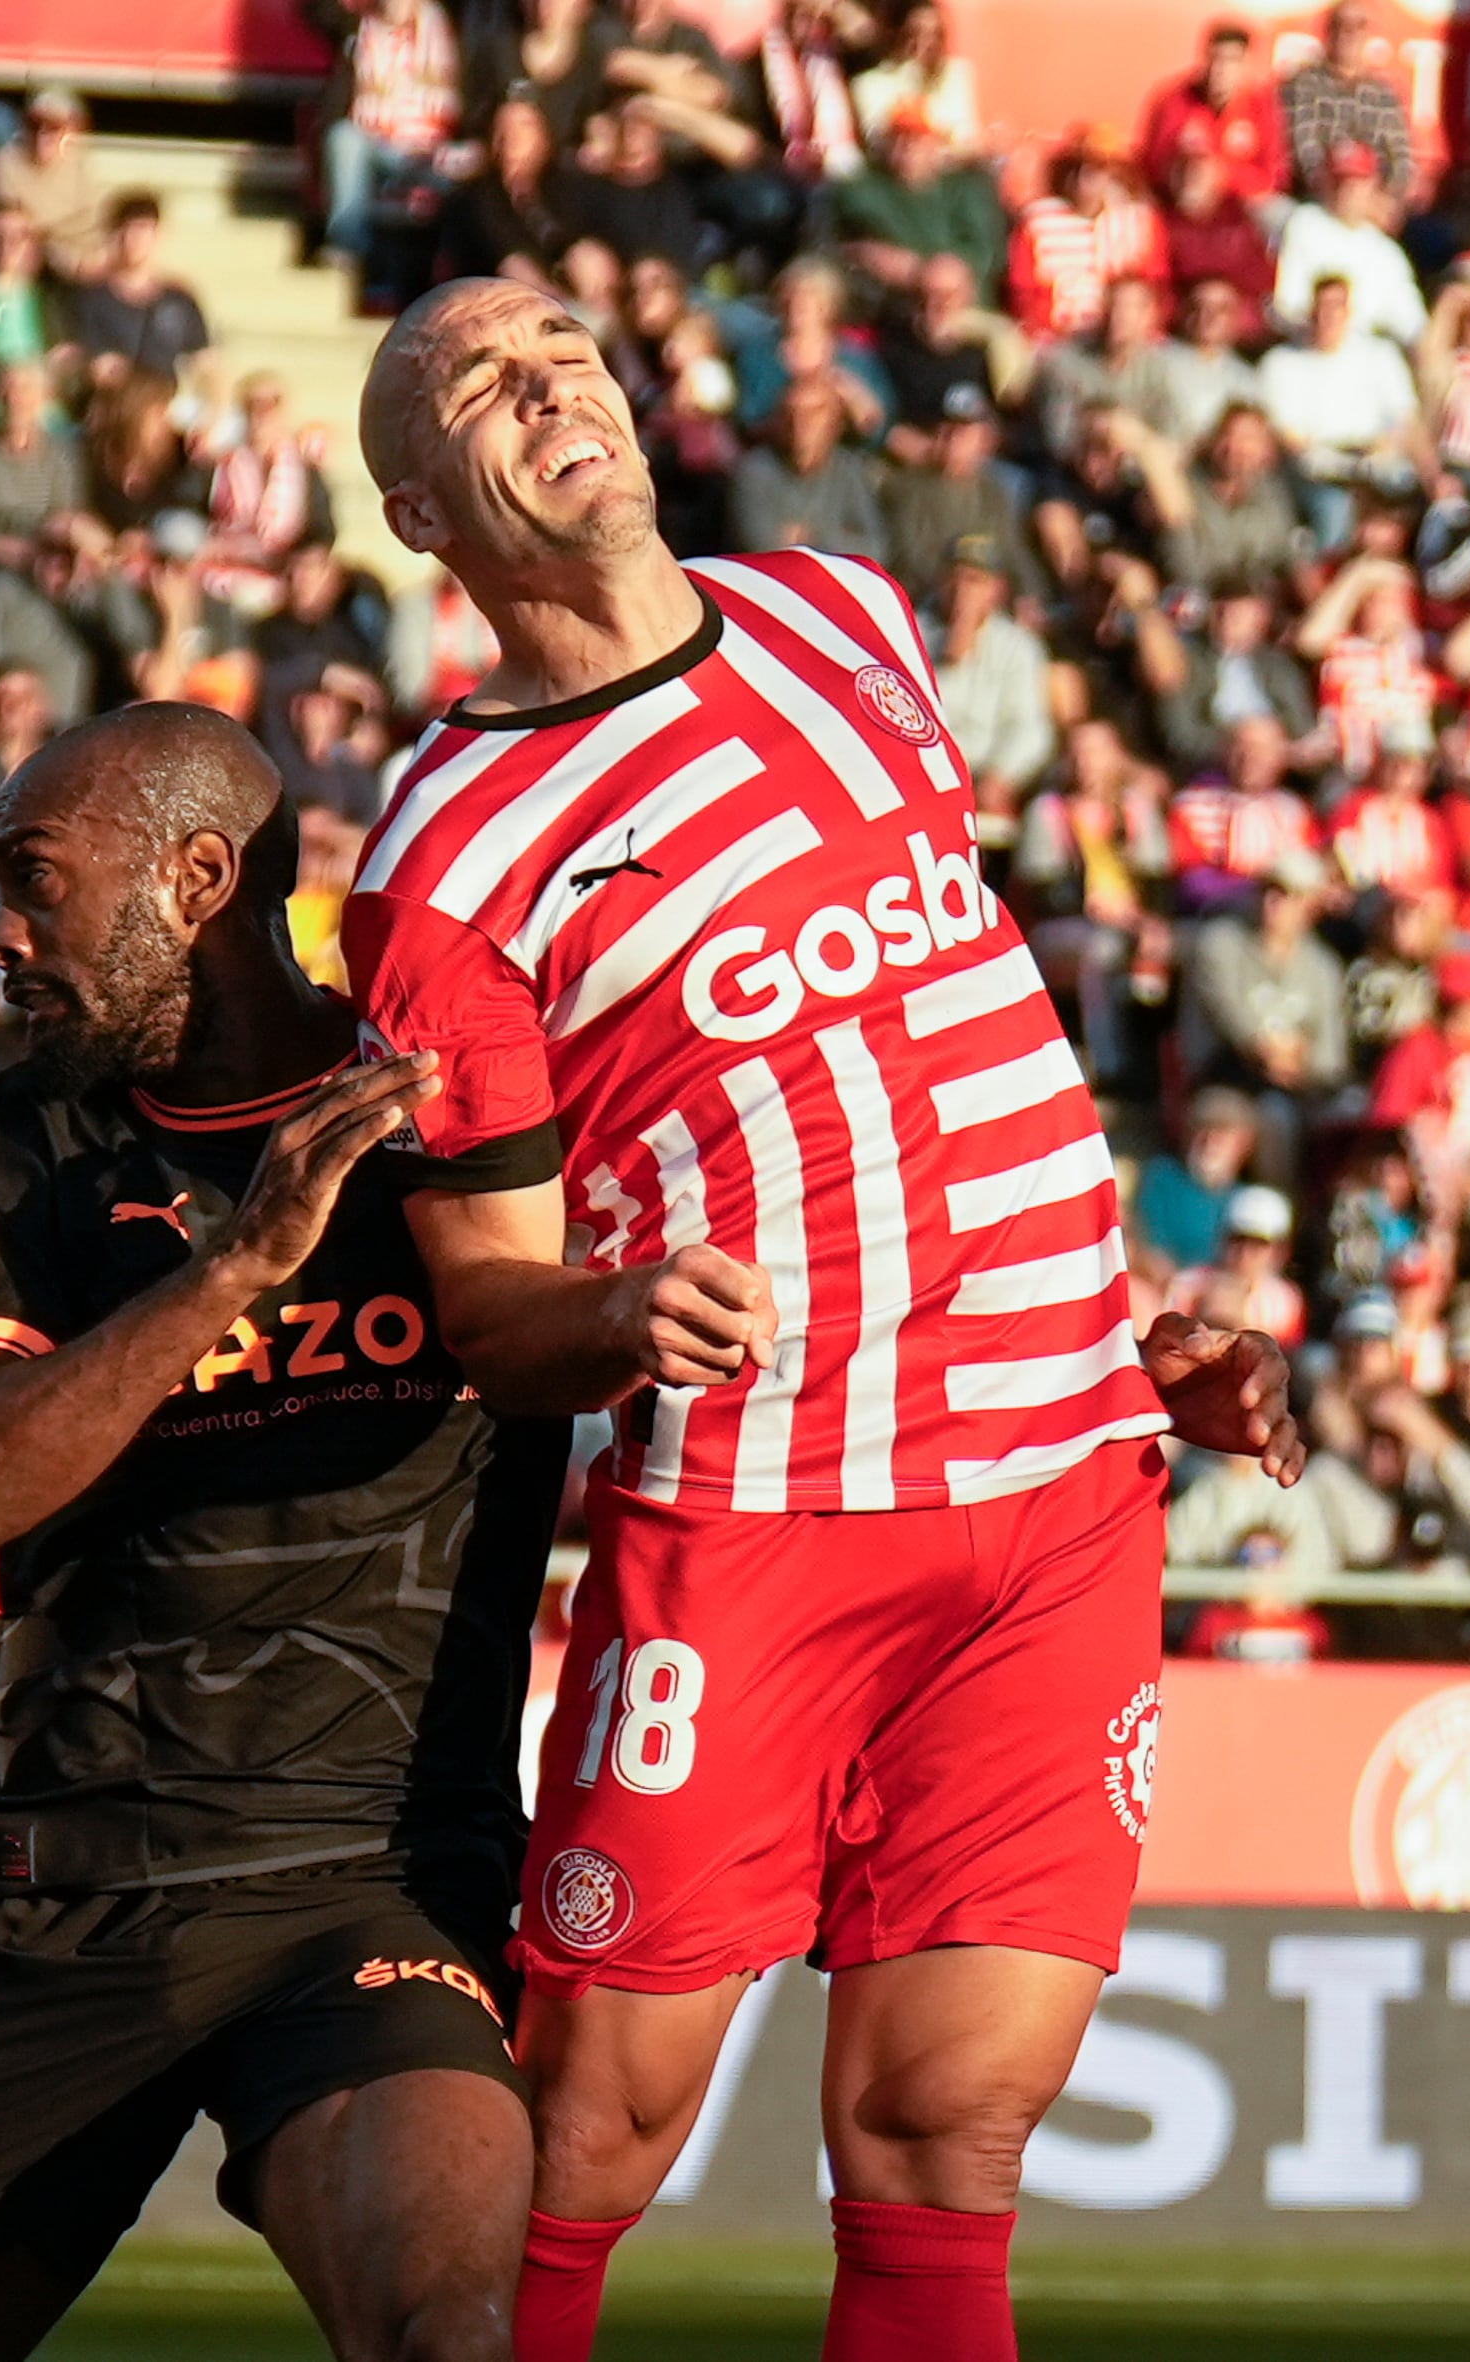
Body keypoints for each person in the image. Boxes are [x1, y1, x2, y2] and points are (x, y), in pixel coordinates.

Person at [348, 274, 1303, 2362]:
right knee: (581, 2126)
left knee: (950, 2129)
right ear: (423, 515)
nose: (546, 386)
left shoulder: (840, 616)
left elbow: (921, 1041)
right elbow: (490, 1317)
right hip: (762, 1522)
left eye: (562, 348)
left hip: (1060, 1492)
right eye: (474, 387)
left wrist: (1117, 1324)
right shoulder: (444, 861)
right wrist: (615, 1309)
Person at [0, 702, 569, 2362]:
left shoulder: (443, 1115)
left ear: (194, 878)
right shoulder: (15, 1155)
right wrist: (225, 1275)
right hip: (63, 1903)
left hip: (367, 1894)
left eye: (34, 884)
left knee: (445, 2337)